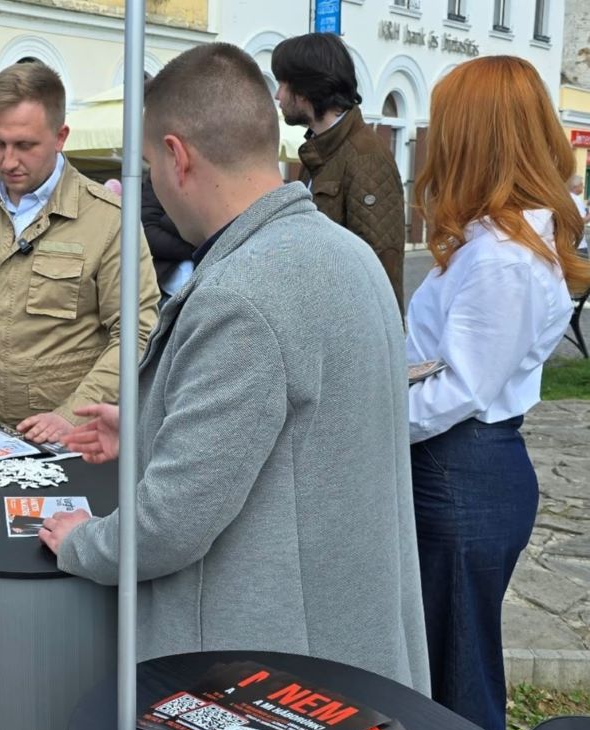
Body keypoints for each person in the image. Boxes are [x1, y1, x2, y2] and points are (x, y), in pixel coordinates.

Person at [40, 44, 430, 692]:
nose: (154, 187)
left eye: (149, 168)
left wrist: (83, 541)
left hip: (266, 676)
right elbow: (297, 441)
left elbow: (171, 523)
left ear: (177, 156)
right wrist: (147, 428)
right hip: (346, 647)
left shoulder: (241, 295)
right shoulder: (347, 253)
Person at [406, 57, 590, 730]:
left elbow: (458, 389)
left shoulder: (503, 256)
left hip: (460, 469)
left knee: (457, 685)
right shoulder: (498, 240)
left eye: (444, 126)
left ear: (474, 137)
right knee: (447, 666)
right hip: (462, 466)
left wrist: (366, 419)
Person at [0, 62, 160, 443]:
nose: (8, 161)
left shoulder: (109, 219)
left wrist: (72, 415)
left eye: (25, 145)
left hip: (66, 445)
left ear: (60, 137)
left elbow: (136, 332)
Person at [272, 33, 406, 314]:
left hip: (347, 329)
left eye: (283, 84)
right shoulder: (320, 150)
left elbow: (380, 268)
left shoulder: (366, 158)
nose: (277, 95)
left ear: (305, 89)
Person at [142, 173, 197, 304]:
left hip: (212, 289)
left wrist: (166, 222)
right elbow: (148, 232)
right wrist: (197, 248)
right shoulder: (159, 174)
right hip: (163, 291)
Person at [570, 175, 588, 254]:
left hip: (572, 243)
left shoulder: (569, 197)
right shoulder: (575, 199)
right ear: (575, 186)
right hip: (578, 245)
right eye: (581, 184)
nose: (583, 187)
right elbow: (581, 221)